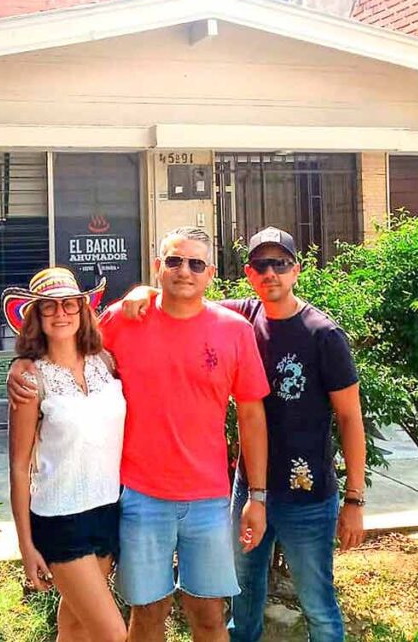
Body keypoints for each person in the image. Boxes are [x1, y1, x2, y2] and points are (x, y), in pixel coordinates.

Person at [9, 226, 270, 642]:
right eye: (174, 260)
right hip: (138, 498)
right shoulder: (123, 320)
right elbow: (64, 346)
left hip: (207, 499)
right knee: (146, 615)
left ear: (211, 274)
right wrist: (21, 368)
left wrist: (257, 495)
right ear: (157, 266)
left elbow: (252, 416)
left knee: (209, 617)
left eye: (196, 263)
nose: (184, 270)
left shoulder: (234, 330)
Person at [122, 227, 367, 642]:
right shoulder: (243, 317)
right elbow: (185, 297)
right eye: (260, 265)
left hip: (307, 493)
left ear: (297, 270)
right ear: (248, 273)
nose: (270, 273)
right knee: (242, 599)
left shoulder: (322, 334)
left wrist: (355, 498)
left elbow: (350, 419)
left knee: (318, 604)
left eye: (281, 264)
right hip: (248, 490)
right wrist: (143, 291)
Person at [1, 267, 127, 642]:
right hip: (60, 519)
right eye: (49, 307)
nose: (61, 313)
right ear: (36, 318)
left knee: (74, 626)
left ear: (83, 309)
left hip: (108, 510)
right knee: (113, 634)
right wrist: (25, 546)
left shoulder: (106, 363)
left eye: (69, 304)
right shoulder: (29, 376)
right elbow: (19, 467)